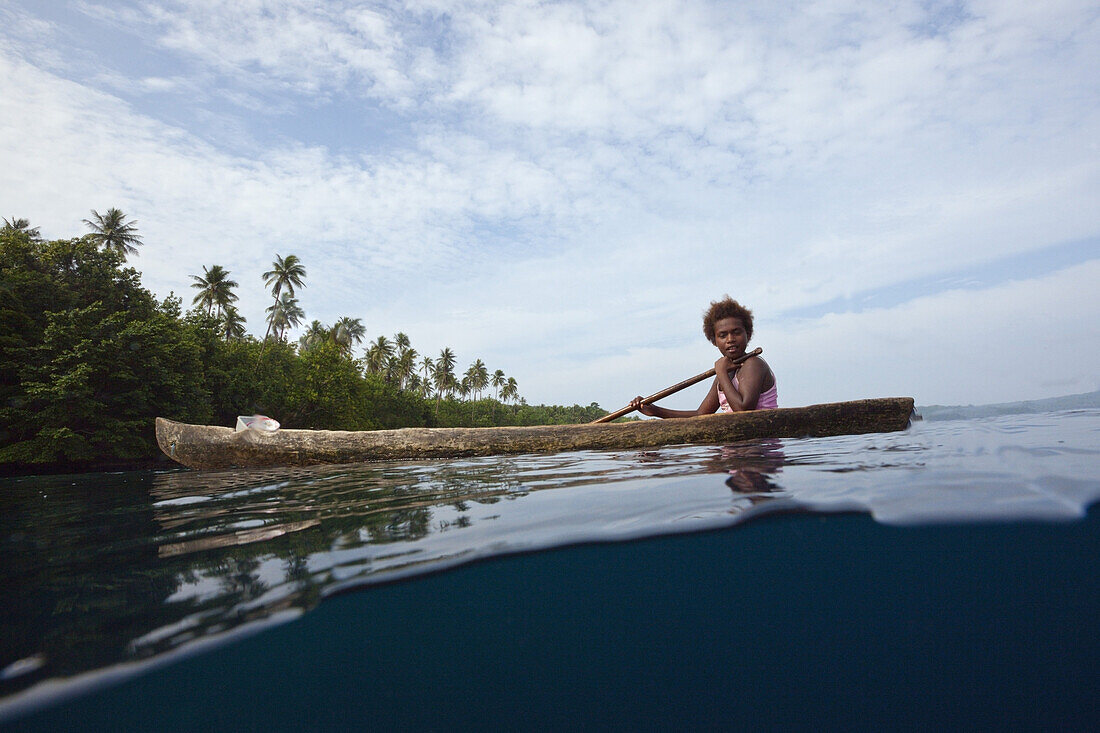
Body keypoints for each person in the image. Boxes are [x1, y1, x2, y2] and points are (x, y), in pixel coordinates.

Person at [630, 297, 778, 418]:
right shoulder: (726, 370)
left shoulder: (753, 364)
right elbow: (701, 414)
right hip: (739, 448)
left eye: (736, 332)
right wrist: (656, 411)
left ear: (748, 335)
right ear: (714, 341)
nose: (730, 339)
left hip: (761, 449)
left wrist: (721, 373)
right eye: (722, 335)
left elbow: (744, 411)